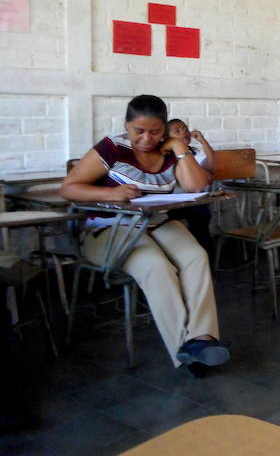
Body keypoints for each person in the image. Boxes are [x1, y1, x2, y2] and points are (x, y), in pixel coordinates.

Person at [61, 95, 229, 375]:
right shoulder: (113, 147)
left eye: (155, 132)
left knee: (195, 256)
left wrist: (178, 146)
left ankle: (202, 339)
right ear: (127, 126)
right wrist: (110, 193)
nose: (147, 139)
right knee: (156, 266)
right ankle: (186, 351)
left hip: (156, 223)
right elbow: (69, 188)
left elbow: (198, 185)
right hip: (109, 227)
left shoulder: (169, 151)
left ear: (164, 128)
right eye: (138, 131)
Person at [166, 119, 216, 254]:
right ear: (167, 136)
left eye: (186, 129)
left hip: (192, 201)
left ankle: (206, 256)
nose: (184, 132)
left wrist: (203, 141)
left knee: (202, 214)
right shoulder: (166, 155)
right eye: (177, 130)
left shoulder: (194, 152)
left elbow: (211, 167)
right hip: (172, 202)